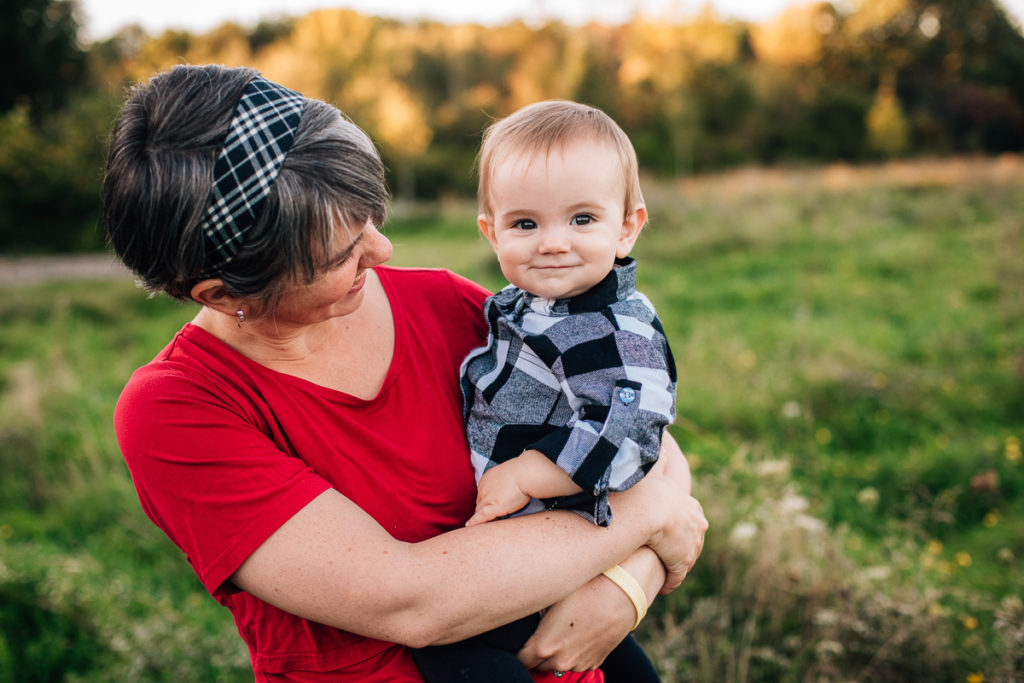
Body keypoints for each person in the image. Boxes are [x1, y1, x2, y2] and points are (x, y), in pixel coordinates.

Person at [104, 64, 707, 682]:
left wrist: (624, 588)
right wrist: (652, 520)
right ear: (225, 293)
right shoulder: (179, 409)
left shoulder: (448, 304)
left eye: (369, 216)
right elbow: (411, 602)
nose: (382, 250)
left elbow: (649, 442)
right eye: (342, 253)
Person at [412, 102, 674, 683]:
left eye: (582, 219)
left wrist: (530, 472)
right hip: (529, 551)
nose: (553, 243)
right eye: (526, 224)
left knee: (453, 654)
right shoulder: (524, 309)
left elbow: (631, 431)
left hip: (567, 534)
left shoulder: (612, 327)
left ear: (627, 226)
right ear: (492, 231)